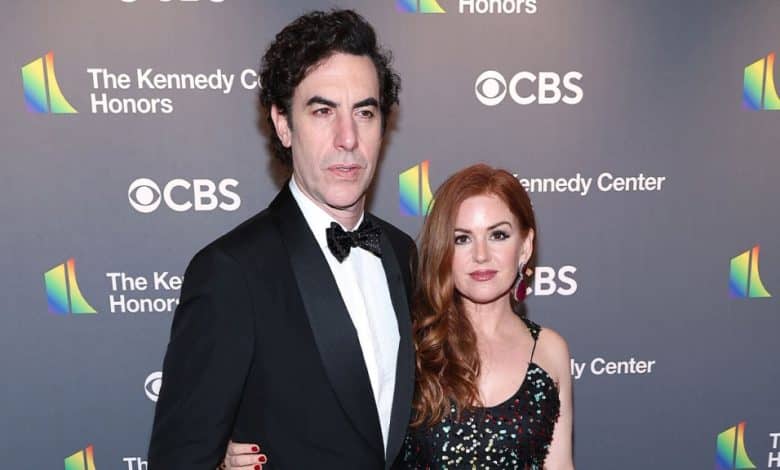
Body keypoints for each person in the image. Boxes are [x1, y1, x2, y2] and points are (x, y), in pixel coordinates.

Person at [148, 10, 416, 470]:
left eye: (365, 113)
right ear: (283, 124)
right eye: (322, 111)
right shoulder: (231, 272)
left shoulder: (402, 253)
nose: (347, 138)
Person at [225, 164, 574, 469]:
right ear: (443, 249)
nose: (481, 255)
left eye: (498, 235)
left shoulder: (549, 350)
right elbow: (323, 412)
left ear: (525, 246)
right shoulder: (411, 339)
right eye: (462, 239)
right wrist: (238, 452)